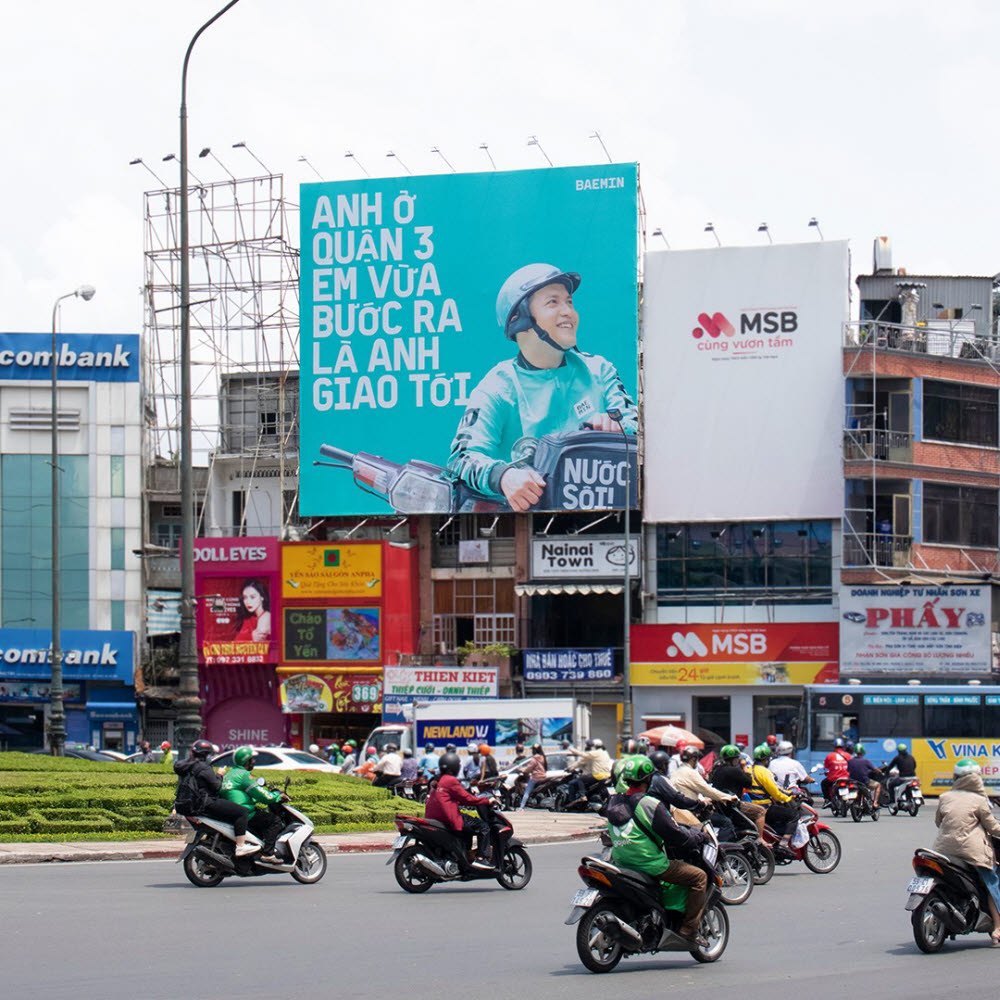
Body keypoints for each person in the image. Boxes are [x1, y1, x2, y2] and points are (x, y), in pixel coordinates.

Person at [446, 263, 637, 511]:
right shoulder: (497, 386)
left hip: (606, 519)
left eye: (569, 302)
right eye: (553, 302)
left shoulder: (600, 370)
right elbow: (461, 458)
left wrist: (619, 423)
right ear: (519, 319)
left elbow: (636, 425)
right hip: (526, 526)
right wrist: (503, 477)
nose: (568, 311)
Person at [605, 755, 708, 944]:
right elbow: (675, 834)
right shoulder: (650, 804)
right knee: (699, 877)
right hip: (650, 864)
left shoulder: (614, 802)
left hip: (621, 862)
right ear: (648, 778)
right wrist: (699, 837)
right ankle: (688, 930)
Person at [932, 758, 1000, 943]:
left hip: (944, 852)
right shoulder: (979, 800)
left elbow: (939, 822)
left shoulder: (945, 797)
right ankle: (997, 929)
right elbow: (993, 828)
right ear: (977, 778)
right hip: (973, 854)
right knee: (991, 883)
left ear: (955, 777)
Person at [174, 739, 259, 856]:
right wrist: (220, 774)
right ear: (206, 754)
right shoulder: (203, 767)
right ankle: (240, 846)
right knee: (241, 812)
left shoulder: (183, 766)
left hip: (185, 805)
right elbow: (217, 787)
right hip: (204, 804)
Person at [423, 751, 495, 869]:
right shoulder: (450, 780)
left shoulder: (437, 780)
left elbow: (454, 798)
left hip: (435, 818)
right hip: (448, 818)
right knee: (483, 826)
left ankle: (466, 854)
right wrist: (487, 801)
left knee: (467, 827)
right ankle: (482, 859)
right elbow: (466, 798)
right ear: (455, 767)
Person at [219, 746, 285, 863]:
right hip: (244, 813)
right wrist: (278, 796)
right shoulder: (244, 775)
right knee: (274, 821)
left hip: (229, 812)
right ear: (246, 761)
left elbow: (245, 794)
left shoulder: (229, 775)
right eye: (252, 759)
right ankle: (268, 854)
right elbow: (262, 795)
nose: (254, 762)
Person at [709, 744, 767, 842]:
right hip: (733, 805)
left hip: (721, 806)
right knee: (761, 811)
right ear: (734, 759)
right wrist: (745, 767)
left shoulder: (717, 770)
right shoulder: (734, 770)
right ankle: (760, 839)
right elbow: (749, 782)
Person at [747, 744, 798, 851]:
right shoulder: (764, 772)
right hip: (763, 807)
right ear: (766, 760)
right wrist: (788, 797)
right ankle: (784, 843)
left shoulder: (749, 769)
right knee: (793, 815)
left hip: (750, 806)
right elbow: (775, 792)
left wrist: (786, 793)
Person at [565, 738, 613, 805]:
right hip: (607, 775)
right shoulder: (605, 753)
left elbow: (580, 760)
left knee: (580, 780)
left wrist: (569, 748)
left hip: (597, 775)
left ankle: (582, 796)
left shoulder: (594, 754)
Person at [234, 578, 271, 643]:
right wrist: (251, 636)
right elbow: (235, 643)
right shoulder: (250, 619)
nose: (248, 602)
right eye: (245, 597)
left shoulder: (266, 616)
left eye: (252, 597)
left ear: (262, 597)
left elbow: (257, 647)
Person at [847, 743, 883, 808]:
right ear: (863, 752)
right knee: (878, 785)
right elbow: (875, 769)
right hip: (864, 782)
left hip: (853, 782)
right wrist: (879, 771)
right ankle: (875, 803)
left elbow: (848, 770)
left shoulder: (850, 761)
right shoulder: (866, 761)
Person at [821, 738, 851, 805]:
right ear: (843, 746)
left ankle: (827, 800)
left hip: (834, 779)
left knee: (824, 783)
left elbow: (826, 767)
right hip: (847, 778)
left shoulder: (830, 756)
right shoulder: (848, 755)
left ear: (834, 746)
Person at [517, 743, 547, 810]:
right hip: (543, 776)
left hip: (536, 777)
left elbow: (529, 768)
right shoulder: (542, 757)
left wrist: (523, 770)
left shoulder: (534, 759)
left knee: (527, 792)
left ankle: (521, 807)